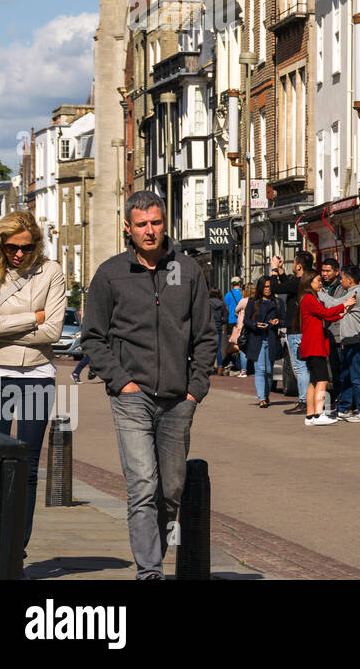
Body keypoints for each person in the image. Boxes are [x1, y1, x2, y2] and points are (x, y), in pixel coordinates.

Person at [79, 190, 217, 579]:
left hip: (178, 398)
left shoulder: (187, 271)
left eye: (156, 222)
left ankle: (154, 554)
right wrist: (121, 382)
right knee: (142, 485)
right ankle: (150, 570)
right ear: (128, 227)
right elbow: (93, 337)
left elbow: (206, 335)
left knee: (171, 489)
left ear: (164, 223)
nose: (150, 231)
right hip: (131, 397)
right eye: (141, 224)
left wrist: (195, 390)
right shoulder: (110, 274)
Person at [0, 210, 67, 552]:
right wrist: (33, 318)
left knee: (26, 467)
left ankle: (16, 551)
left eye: (26, 248)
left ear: (36, 245)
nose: (18, 254)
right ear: (0, 243)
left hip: (36, 375)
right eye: (12, 247)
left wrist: (4, 324)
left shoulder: (51, 272)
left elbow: (54, 331)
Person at [298, 270, 354, 426]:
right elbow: (324, 312)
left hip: (311, 344)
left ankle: (310, 416)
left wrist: (341, 313)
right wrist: (344, 304)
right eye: (317, 280)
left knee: (313, 381)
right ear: (309, 282)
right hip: (315, 344)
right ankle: (318, 413)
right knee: (322, 380)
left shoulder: (309, 298)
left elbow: (326, 316)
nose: (320, 283)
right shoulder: (309, 298)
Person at [273, 251, 314, 414]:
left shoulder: (299, 282)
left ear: (298, 266)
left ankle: (304, 401)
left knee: (300, 367)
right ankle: (306, 400)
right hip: (304, 328)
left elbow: (277, 288)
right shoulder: (306, 281)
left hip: (296, 328)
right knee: (305, 366)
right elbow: (287, 286)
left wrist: (274, 270)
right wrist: (282, 272)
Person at [334, 265, 360, 422]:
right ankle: (344, 408)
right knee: (347, 375)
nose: (340, 280)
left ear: (350, 280)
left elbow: (334, 304)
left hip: (357, 341)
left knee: (356, 376)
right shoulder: (351, 292)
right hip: (349, 340)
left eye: (342, 277)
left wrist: (319, 293)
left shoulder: (355, 293)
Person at [242, 276, 282, 408]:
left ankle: (266, 395)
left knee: (269, 371)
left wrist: (277, 322)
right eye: (265, 286)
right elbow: (246, 320)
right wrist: (255, 324)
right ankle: (261, 398)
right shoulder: (253, 302)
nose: (267, 289)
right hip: (256, 339)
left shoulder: (277, 302)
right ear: (260, 287)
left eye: (269, 286)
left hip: (271, 339)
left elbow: (284, 319)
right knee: (260, 369)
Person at [316, 257, 348, 417]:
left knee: (340, 369)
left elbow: (334, 306)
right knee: (331, 370)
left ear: (337, 271)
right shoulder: (321, 286)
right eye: (323, 271)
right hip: (325, 335)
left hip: (338, 334)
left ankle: (341, 399)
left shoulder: (342, 288)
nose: (324, 274)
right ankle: (334, 398)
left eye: (328, 271)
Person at [223, 276, 244, 372]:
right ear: (239, 283)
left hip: (231, 321)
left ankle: (233, 362)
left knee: (232, 342)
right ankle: (240, 364)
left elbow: (226, 308)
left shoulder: (228, 295)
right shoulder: (243, 293)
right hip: (241, 321)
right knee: (241, 342)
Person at [208, 287, 228, 375]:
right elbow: (226, 318)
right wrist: (220, 322)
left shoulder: (207, 303)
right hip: (218, 327)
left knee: (208, 347)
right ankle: (220, 367)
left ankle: (209, 367)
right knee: (218, 348)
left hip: (209, 326)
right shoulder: (222, 304)